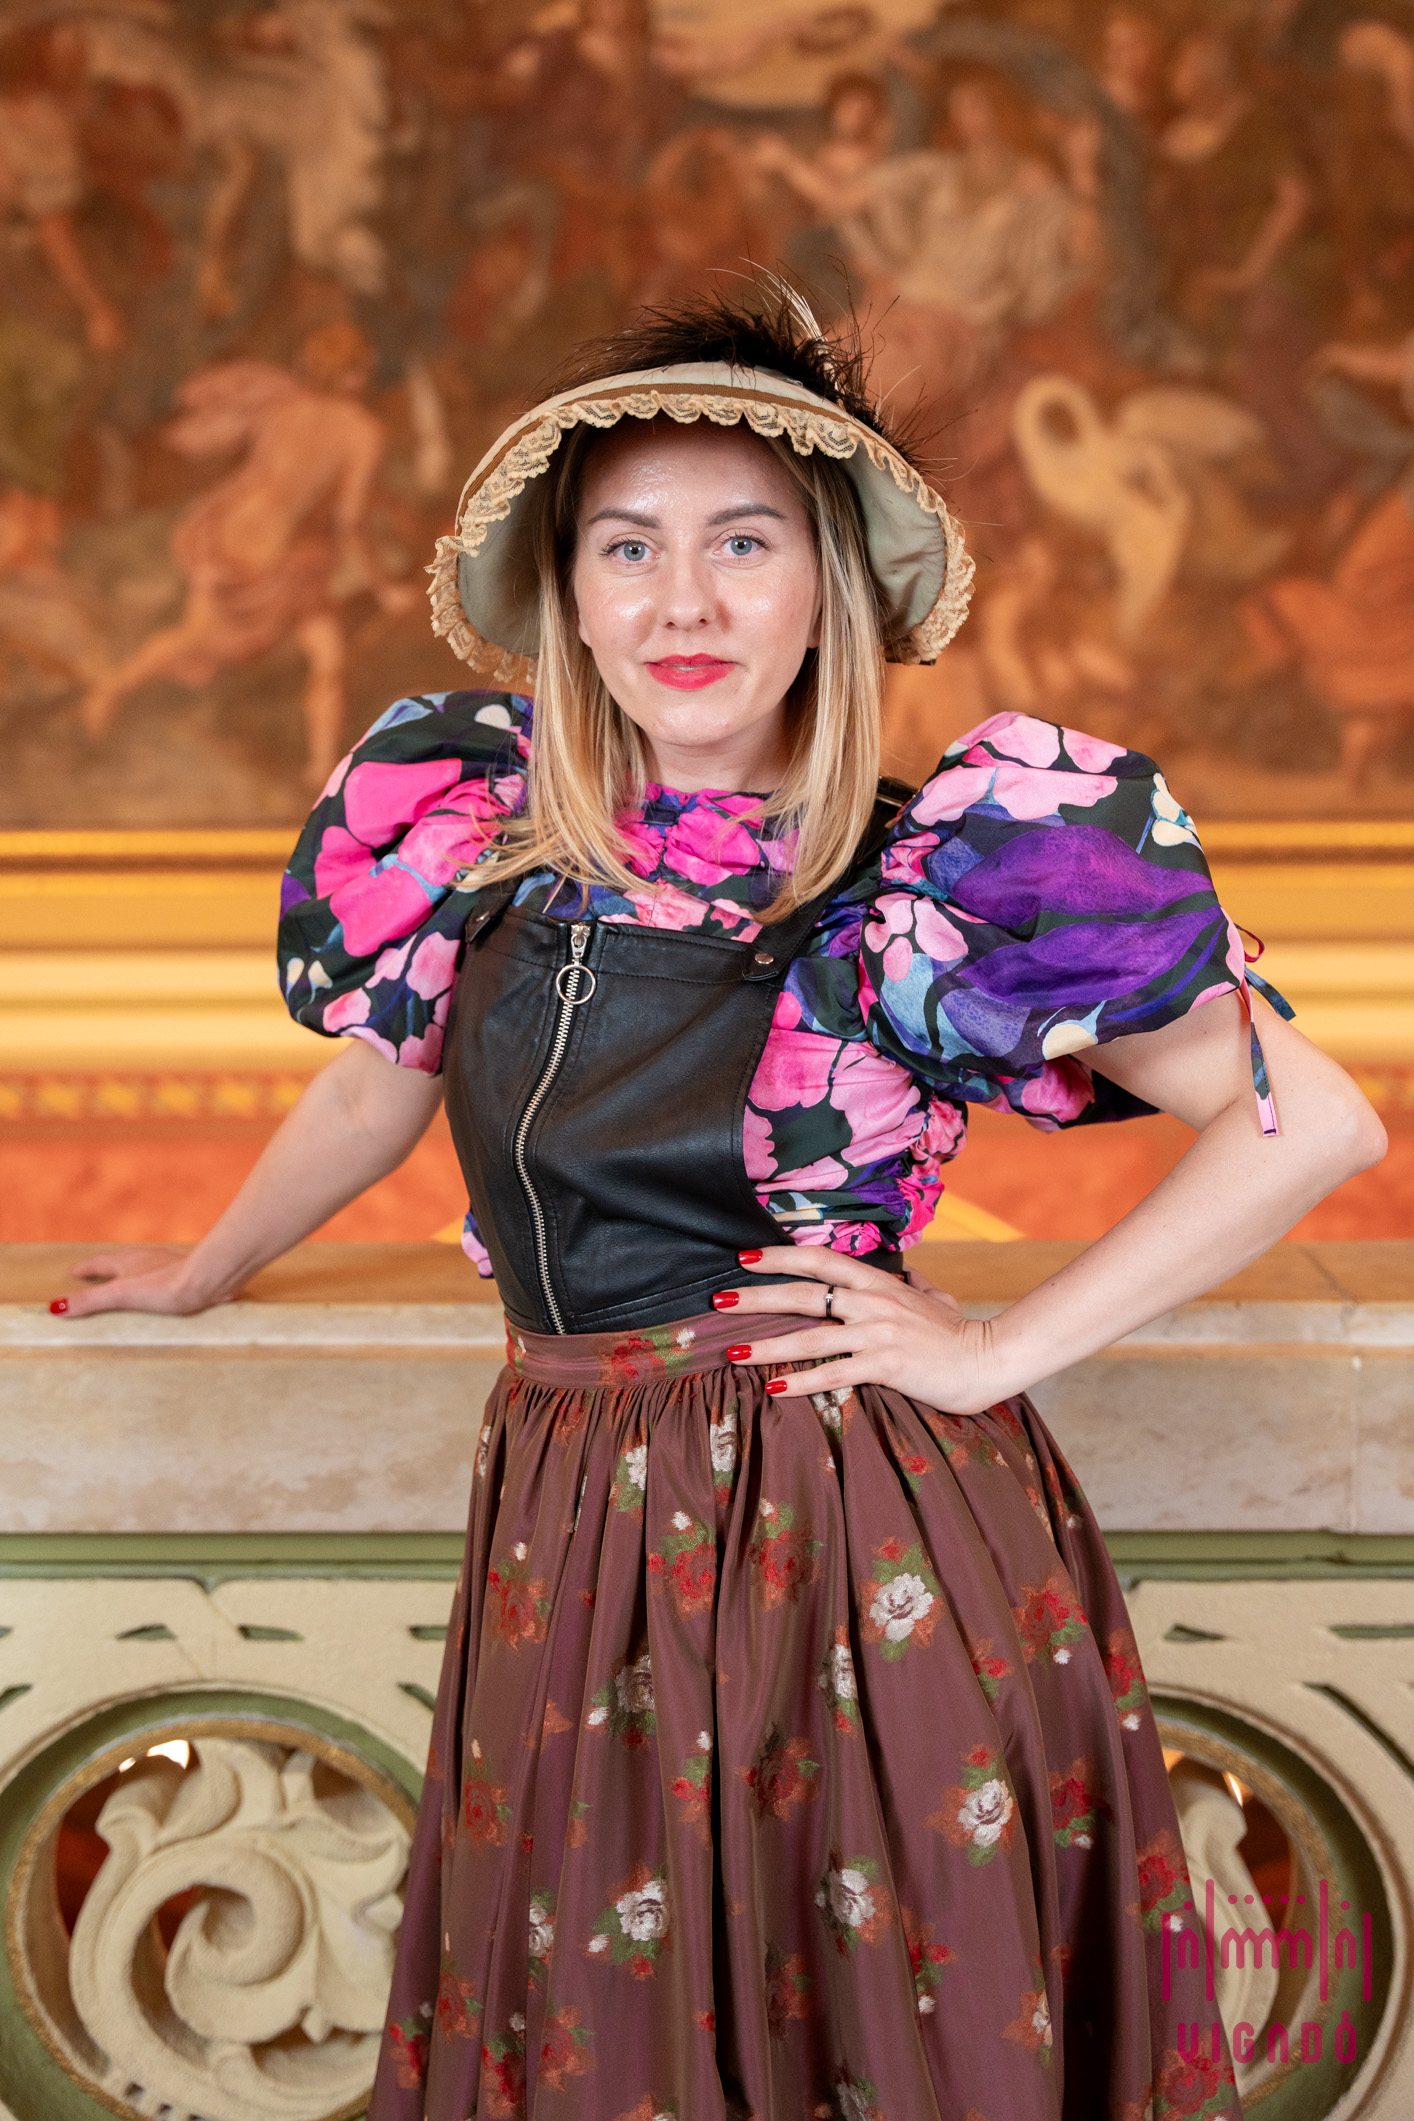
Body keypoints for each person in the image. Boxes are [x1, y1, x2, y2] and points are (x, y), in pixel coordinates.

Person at [53, 288, 1386, 2120]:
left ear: (826, 588)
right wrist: (209, 1266)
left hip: (846, 1532)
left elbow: (1307, 1123)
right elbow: (378, 1083)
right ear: (570, 597)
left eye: (742, 543)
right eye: (629, 547)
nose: (682, 602)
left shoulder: (928, 877)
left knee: (879, 2032)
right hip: (566, 1514)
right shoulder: (484, 846)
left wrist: (995, 1349)